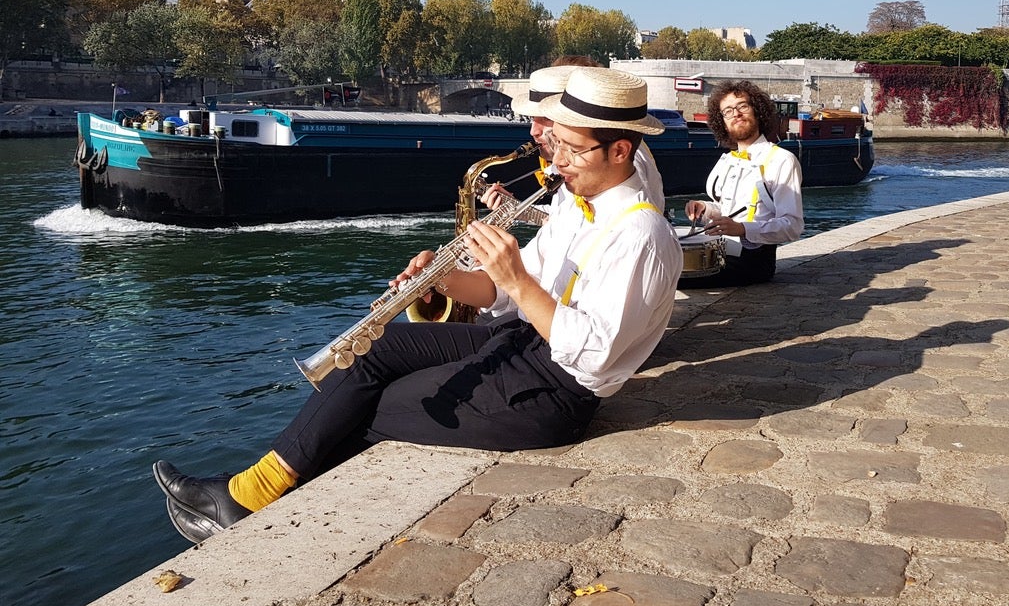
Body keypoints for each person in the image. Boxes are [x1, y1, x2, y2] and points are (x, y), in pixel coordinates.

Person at [153, 68, 682, 543]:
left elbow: (591, 354)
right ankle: (249, 492)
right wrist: (443, 281)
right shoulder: (574, 202)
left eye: (572, 149)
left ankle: (248, 498)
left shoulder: (642, 235)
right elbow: (499, 296)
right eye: (557, 144)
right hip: (519, 341)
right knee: (378, 347)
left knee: (373, 404)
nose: (557, 160)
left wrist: (518, 280)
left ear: (620, 151)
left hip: (553, 391)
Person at [486, 59, 664, 215]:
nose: (533, 131)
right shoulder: (584, 162)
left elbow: (631, 222)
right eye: (532, 119)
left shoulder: (619, 160)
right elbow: (567, 217)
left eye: (546, 118)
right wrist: (514, 210)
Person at [681, 80, 803, 288]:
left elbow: (793, 226)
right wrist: (706, 209)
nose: (736, 114)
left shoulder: (782, 160)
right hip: (720, 253)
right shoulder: (727, 160)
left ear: (758, 111)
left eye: (742, 106)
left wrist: (742, 229)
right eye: (727, 111)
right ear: (722, 122)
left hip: (754, 262)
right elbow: (728, 209)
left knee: (667, 278)